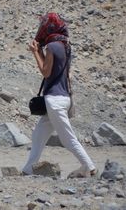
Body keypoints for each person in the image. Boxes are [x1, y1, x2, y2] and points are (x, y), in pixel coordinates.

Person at [22, 12, 97, 178]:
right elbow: (52, 68)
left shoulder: (52, 46)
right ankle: (28, 168)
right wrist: (40, 51)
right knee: (39, 135)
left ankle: (89, 166)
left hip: (54, 100)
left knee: (67, 138)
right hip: (63, 98)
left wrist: (35, 52)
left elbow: (45, 72)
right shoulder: (64, 46)